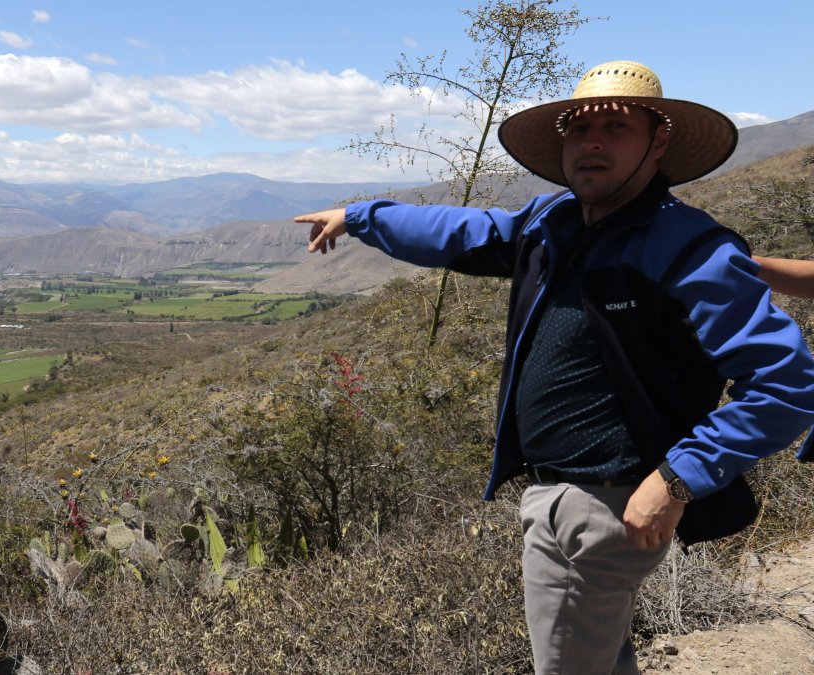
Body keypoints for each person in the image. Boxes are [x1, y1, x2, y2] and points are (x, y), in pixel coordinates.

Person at [295, 60, 814, 674]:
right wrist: (361, 218)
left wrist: (676, 479)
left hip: (602, 502)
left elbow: (786, 387)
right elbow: (464, 230)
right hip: (568, 493)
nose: (592, 141)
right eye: (577, 127)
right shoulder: (555, 224)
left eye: (617, 126)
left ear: (660, 141)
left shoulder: (689, 249)